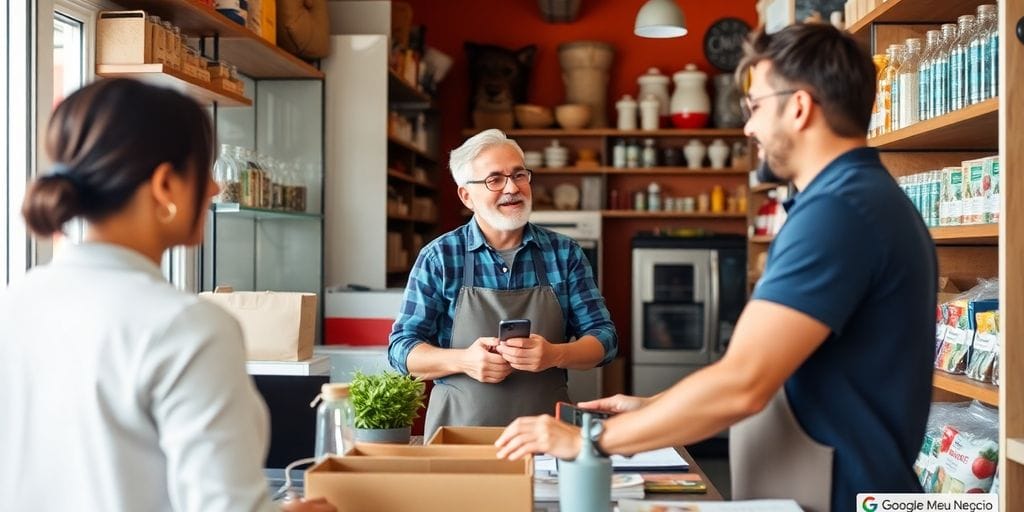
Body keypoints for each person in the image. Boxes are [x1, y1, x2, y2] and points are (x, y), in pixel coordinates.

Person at [496, 23, 937, 512]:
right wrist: (656, 408)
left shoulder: (840, 212)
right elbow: (772, 373)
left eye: (756, 107)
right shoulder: (853, 201)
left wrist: (592, 441)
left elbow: (743, 383)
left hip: (839, 494)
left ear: (799, 106)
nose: (748, 128)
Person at [0, 79, 332, 512]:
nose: (214, 190)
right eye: (205, 172)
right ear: (165, 187)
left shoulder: (17, 302)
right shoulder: (189, 327)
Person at [388, 128, 618, 438]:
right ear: (466, 196)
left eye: (519, 175)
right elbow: (401, 349)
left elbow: (604, 339)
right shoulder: (439, 258)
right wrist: (465, 361)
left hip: (548, 440)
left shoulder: (565, 254)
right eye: (494, 179)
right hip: (458, 439)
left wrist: (554, 354)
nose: (512, 188)